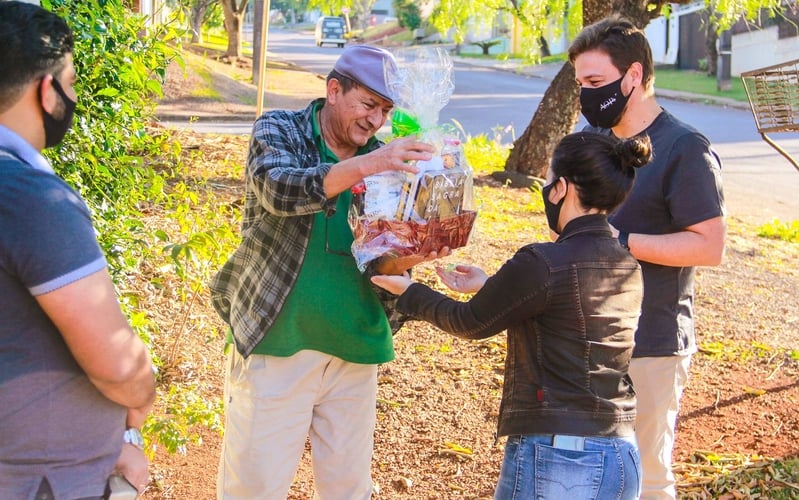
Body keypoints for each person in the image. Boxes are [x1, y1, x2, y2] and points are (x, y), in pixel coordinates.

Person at [210, 45, 447, 499]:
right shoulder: (280, 129)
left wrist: (421, 248)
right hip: (278, 338)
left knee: (346, 489)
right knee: (254, 486)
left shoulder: (389, 162)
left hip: (356, 345)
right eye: (368, 105)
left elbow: (385, 263)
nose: (376, 121)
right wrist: (373, 162)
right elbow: (277, 191)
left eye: (385, 111)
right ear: (333, 90)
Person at [372, 131, 652, 499]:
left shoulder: (543, 262)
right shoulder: (625, 264)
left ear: (562, 188)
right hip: (621, 453)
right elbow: (566, 311)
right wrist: (490, 284)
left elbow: (469, 322)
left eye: (550, 179)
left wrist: (410, 292)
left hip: (561, 457)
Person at [0, 2, 156, 499]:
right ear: (46, 91)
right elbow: (117, 364)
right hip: (38, 480)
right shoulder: (30, 200)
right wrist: (139, 397)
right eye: (68, 83)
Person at [568, 16, 727, 500]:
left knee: (645, 481)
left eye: (595, 83)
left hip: (651, 346)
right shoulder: (594, 142)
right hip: (589, 338)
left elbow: (710, 245)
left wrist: (622, 240)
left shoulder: (685, 149)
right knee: (592, 477)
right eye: (580, 85)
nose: (586, 96)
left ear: (633, 76)